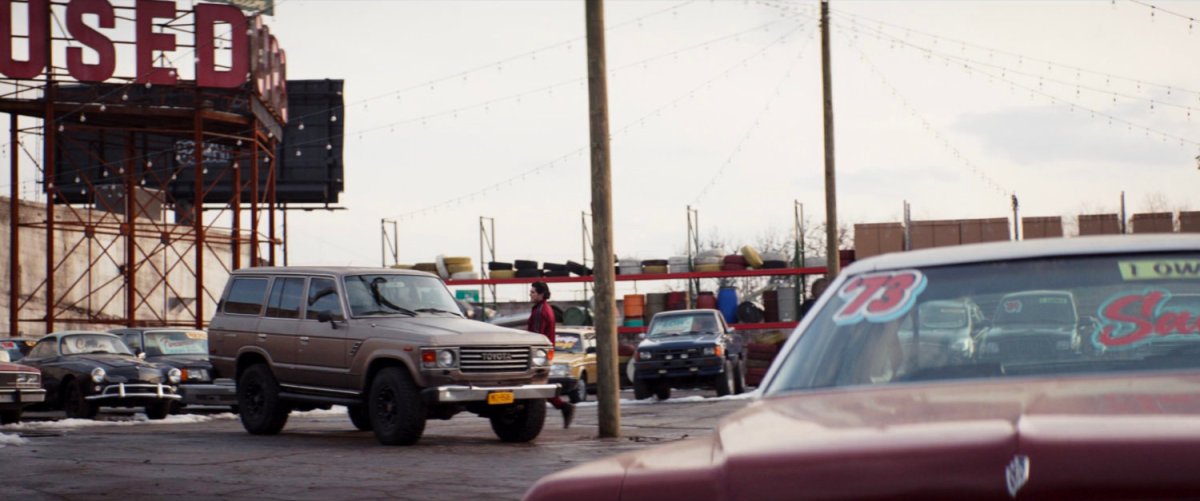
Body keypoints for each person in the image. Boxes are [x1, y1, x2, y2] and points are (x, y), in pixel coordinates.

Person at [526, 281, 575, 428]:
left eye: (533, 292)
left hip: (539, 355)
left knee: (535, 384)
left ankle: (563, 406)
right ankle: (563, 407)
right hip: (546, 353)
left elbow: (536, 336)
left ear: (541, 294)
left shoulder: (540, 311)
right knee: (538, 384)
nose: (530, 294)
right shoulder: (546, 308)